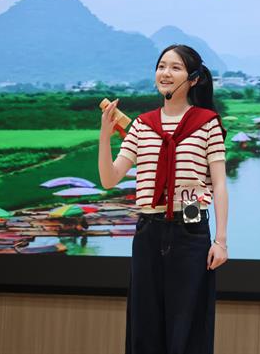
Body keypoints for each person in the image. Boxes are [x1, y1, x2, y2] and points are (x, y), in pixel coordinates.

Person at [98, 44, 229, 354]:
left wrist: (221, 241)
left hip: (191, 232)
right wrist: (104, 135)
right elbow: (109, 179)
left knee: (188, 326)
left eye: (175, 67)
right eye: (161, 66)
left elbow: (220, 183)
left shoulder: (207, 122)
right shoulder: (142, 126)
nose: (165, 73)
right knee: (145, 325)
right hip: (148, 232)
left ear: (194, 79)